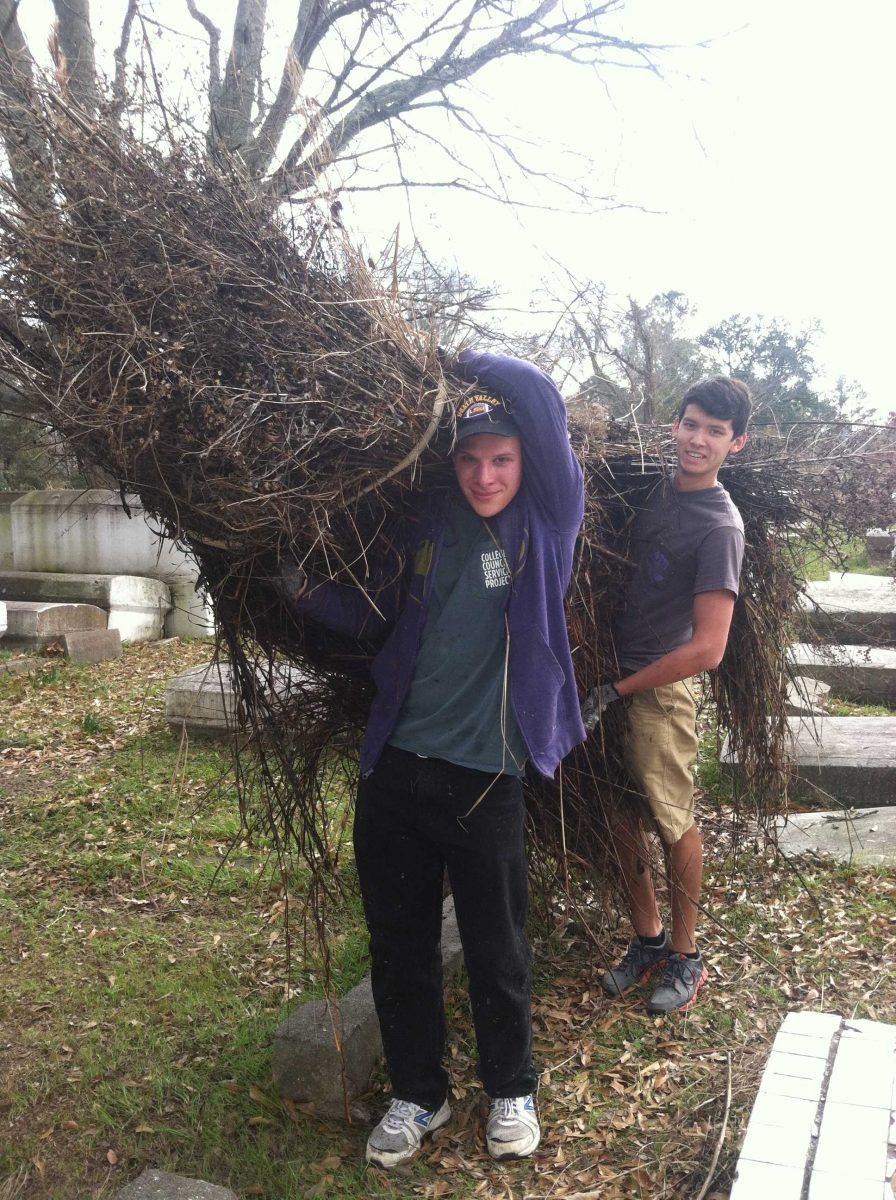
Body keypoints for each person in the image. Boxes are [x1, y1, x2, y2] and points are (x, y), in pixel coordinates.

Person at [279, 351, 585, 1166]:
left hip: (486, 776)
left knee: (497, 945)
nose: (486, 475)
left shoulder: (547, 523)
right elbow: (379, 613)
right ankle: (420, 1094)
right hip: (396, 769)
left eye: (502, 459)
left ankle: (511, 1088)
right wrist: (300, 593)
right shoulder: (427, 523)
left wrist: (452, 358)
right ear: (452, 465)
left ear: (527, 464)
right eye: (471, 460)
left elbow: (542, 401)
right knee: (398, 943)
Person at [584, 377, 750, 1015]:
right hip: (610, 678)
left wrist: (618, 688)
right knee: (622, 819)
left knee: (671, 821)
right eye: (690, 423)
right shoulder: (653, 493)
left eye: (714, 430)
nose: (697, 439)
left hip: (659, 692)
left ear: (736, 443)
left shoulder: (720, 527)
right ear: (674, 425)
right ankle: (648, 940)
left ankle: (686, 955)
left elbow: (709, 648)